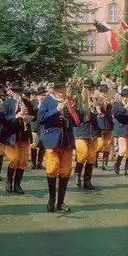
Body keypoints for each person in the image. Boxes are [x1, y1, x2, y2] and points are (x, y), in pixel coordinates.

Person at [38, 79, 76, 213]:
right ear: (54, 89)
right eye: (59, 88)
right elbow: (41, 118)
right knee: (52, 168)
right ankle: (51, 200)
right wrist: (56, 110)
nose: (61, 90)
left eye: (63, 88)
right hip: (51, 139)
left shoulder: (69, 100)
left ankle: (60, 203)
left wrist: (71, 112)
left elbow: (77, 120)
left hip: (66, 140)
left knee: (65, 171)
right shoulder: (47, 101)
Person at [0, 80, 35, 194]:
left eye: (20, 91)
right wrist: (15, 116)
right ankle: (9, 181)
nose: (18, 93)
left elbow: (33, 116)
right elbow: (2, 118)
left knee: (23, 161)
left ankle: (17, 184)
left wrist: (27, 117)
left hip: (24, 135)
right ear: (11, 91)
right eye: (16, 91)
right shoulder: (7, 103)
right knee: (14, 159)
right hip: (11, 135)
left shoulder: (26, 103)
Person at [111, 87, 128, 177]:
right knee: (123, 149)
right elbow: (115, 113)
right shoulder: (117, 105)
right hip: (121, 129)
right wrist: (125, 107)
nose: (126, 98)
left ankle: (127, 170)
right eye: (124, 96)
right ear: (121, 97)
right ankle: (117, 163)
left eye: (127, 96)